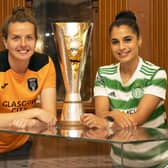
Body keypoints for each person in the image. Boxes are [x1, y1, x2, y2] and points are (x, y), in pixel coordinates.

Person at [81, 10, 167, 129]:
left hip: (154, 147)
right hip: (118, 147)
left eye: (127, 40)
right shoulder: (103, 74)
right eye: (115, 42)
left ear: (139, 40)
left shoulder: (156, 74)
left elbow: (138, 119)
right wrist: (114, 115)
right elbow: (101, 115)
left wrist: (110, 118)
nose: (121, 47)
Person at [0, 6, 56, 153]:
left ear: (36, 40)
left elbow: (50, 118)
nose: (23, 44)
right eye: (16, 38)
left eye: (29, 37)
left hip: (19, 146)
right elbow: (42, 114)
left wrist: (30, 123)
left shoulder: (45, 64)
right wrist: (34, 113)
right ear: (5, 42)